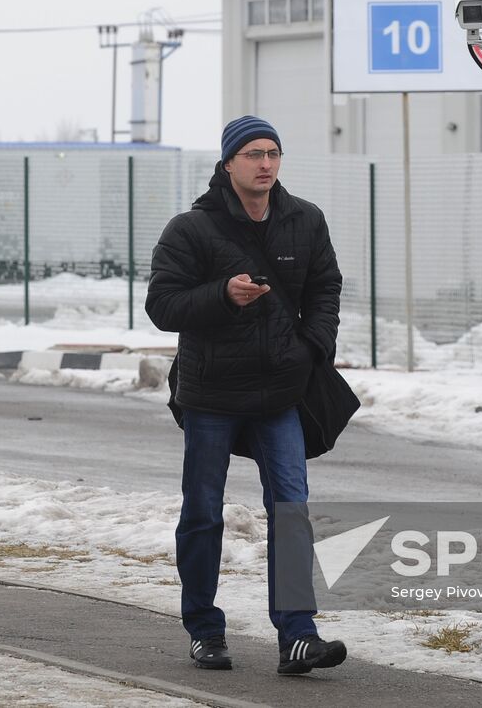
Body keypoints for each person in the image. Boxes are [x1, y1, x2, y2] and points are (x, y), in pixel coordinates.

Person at [146, 114, 347, 676]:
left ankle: (298, 636)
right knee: (204, 514)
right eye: (254, 154)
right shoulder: (191, 229)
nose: (265, 164)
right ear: (229, 162)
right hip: (210, 395)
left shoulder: (304, 220)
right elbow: (161, 306)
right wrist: (222, 295)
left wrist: (312, 346)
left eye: (273, 154)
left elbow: (326, 286)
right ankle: (205, 630)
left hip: (279, 393)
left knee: (291, 510)